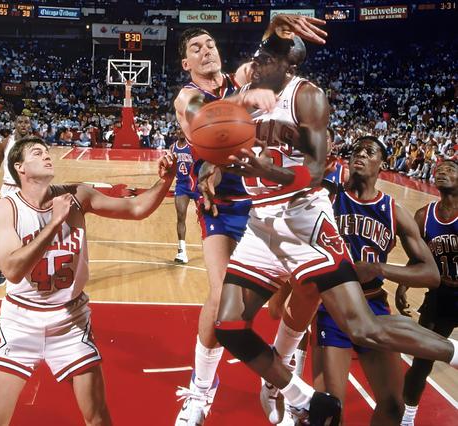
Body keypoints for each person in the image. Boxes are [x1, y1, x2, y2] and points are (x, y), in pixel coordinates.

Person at [201, 30, 458, 426]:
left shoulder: (306, 96)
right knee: (229, 325)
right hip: (262, 222)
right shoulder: (247, 94)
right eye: (258, 53)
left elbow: (316, 170)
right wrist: (210, 165)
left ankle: (453, 353)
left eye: (268, 56)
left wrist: (267, 170)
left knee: (363, 328)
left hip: (305, 219)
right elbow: (216, 136)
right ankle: (300, 395)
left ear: (289, 65)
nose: (258, 61)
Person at [172, 15, 329, 425]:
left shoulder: (240, 77)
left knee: (305, 291)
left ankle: (278, 372)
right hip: (224, 207)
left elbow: (268, 57)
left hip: (270, 202)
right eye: (196, 49)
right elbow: (206, 124)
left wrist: (276, 28)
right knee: (220, 296)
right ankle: (200, 393)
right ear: (186, 64)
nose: (206, 51)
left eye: (210, 44)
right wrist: (244, 102)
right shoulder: (187, 97)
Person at [0, 137, 175, 425]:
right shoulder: (6, 208)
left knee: (98, 418)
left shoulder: (77, 196)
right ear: (20, 167)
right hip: (20, 320)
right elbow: (11, 270)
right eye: (37, 153)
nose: (47, 156)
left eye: (47, 151)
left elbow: (136, 209)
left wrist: (165, 181)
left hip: (69, 320)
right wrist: (54, 223)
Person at [313, 136, 440, 425]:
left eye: (369, 151)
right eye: (356, 150)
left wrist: (380, 269)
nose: (360, 154)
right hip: (333, 306)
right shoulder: (328, 197)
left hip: (373, 306)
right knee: (330, 411)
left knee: (394, 407)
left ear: (382, 164)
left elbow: (431, 274)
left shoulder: (393, 211)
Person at [397, 159, 458, 426]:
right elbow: (417, 257)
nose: (442, 172)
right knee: (422, 359)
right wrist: (404, 284)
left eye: (450, 169)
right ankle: (408, 418)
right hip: (440, 295)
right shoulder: (424, 215)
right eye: (439, 170)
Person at [0, 114, 32, 286]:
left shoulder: (35, 144)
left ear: (30, 125)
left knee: (27, 229)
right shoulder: (5, 143)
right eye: (20, 122)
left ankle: (27, 264)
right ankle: (3, 267)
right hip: (8, 189)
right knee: (6, 231)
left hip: (28, 189)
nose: (23, 125)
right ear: (15, 124)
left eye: (26, 122)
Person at [170, 128, 197, 264]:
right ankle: (182, 251)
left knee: (209, 216)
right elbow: (171, 167)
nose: (181, 131)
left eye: (183, 129)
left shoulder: (194, 147)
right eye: (179, 129)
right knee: (180, 216)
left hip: (196, 184)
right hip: (182, 185)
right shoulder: (172, 148)